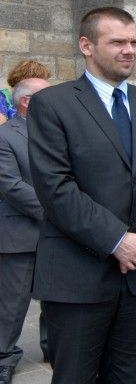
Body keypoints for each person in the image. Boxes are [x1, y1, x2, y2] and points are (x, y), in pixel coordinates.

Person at [27, 6, 136, 383]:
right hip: (78, 275)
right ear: (87, 45)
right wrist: (116, 240)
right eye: (117, 42)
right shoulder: (54, 104)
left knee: (126, 376)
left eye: (134, 42)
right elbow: (56, 187)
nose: (129, 50)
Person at [0, 78, 50, 384]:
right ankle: (4, 356)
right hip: (20, 233)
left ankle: (53, 347)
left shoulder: (56, 133)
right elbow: (10, 186)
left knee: (57, 298)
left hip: (57, 235)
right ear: (26, 101)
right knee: (12, 303)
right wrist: (58, 212)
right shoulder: (5, 136)